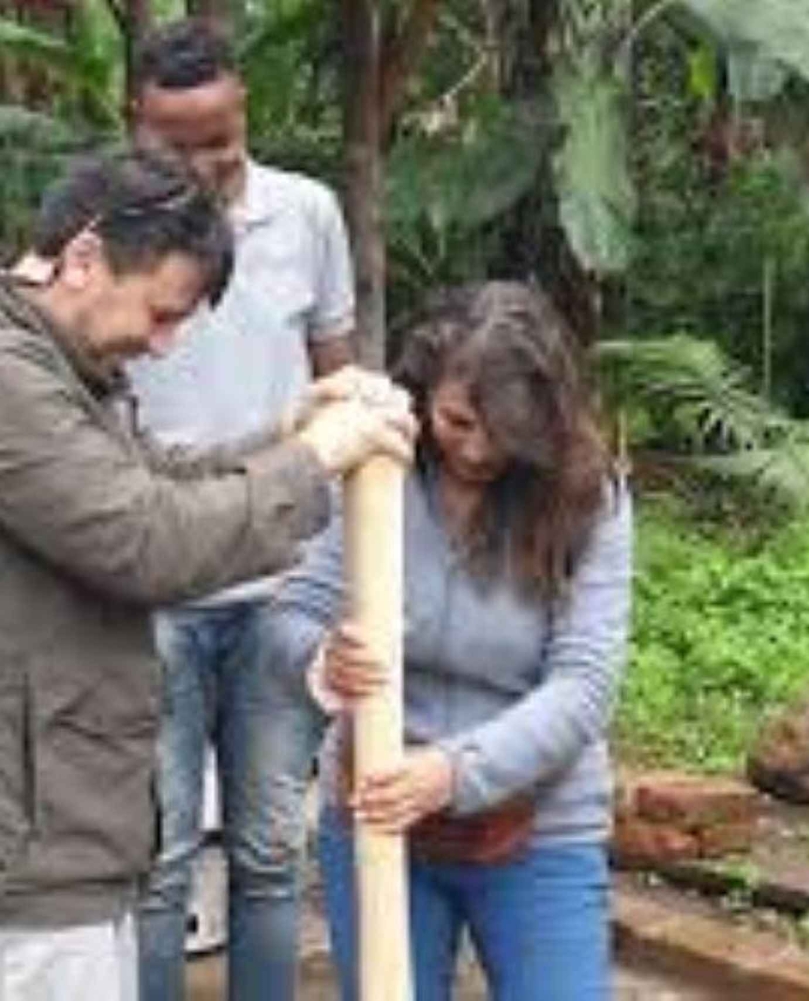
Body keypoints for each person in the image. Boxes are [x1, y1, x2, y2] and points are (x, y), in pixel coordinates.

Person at [0, 149, 410, 1001]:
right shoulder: (11, 378)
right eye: (160, 313)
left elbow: (156, 481)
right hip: (30, 851)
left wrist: (287, 432)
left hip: (66, 827)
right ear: (83, 258)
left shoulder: (63, 372)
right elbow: (146, 537)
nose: (163, 344)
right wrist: (310, 461)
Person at [269, 281, 631, 1001]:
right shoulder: (373, 468)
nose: (477, 448)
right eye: (458, 421)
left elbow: (584, 687)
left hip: (540, 827)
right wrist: (322, 659)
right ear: (425, 389)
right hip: (376, 819)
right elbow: (289, 614)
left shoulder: (588, 498)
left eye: (506, 433)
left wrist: (454, 772)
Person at [118, 19, 360, 1000]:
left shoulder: (309, 214)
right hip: (154, 588)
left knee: (268, 852)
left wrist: (345, 566)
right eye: (174, 146)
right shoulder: (101, 239)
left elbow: (338, 386)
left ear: (246, 111)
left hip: (282, 590)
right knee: (159, 858)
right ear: (135, 125)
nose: (203, 166)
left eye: (219, 139)